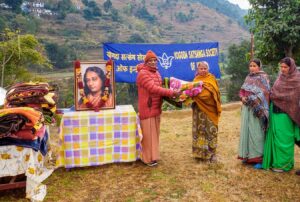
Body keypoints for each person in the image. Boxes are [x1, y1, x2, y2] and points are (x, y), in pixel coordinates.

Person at [136, 50, 179, 167]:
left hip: (156, 107)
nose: (153, 62)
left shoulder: (157, 73)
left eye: (155, 60)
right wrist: (171, 93)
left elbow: (160, 87)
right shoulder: (143, 74)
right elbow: (153, 88)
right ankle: (147, 158)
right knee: (148, 135)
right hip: (148, 108)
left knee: (154, 134)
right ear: (146, 62)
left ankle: (153, 156)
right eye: (150, 60)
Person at [262, 57, 300, 172]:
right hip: (275, 112)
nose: (283, 69)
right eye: (281, 67)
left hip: (287, 115)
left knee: (285, 140)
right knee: (277, 139)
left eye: (285, 67)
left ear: (291, 67)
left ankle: (285, 165)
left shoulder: (297, 80)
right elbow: (273, 92)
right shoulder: (280, 78)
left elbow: (294, 98)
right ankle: (277, 163)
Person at [238, 59, 270, 169]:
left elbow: (265, 92)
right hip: (247, 108)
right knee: (246, 131)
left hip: (257, 109)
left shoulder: (263, 77)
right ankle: (248, 156)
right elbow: (242, 90)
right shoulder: (248, 77)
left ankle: (258, 159)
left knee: (256, 133)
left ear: (259, 67)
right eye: (250, 66)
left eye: (254, 66)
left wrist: (252, 99)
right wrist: (242, 97)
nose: (252, 68)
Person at [191, 61, 222, 162]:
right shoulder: (196, 80)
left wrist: (200, 95)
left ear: (208, 69)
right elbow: (191, 93)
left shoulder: (211, 79)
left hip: (211, 110)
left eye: (205, 68)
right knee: (199, 130)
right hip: (199, 110)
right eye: (201, 68)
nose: (203, 70)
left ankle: (212, 154)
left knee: (211, 130)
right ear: (197, 70)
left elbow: (215, 93)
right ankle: (199, 153)